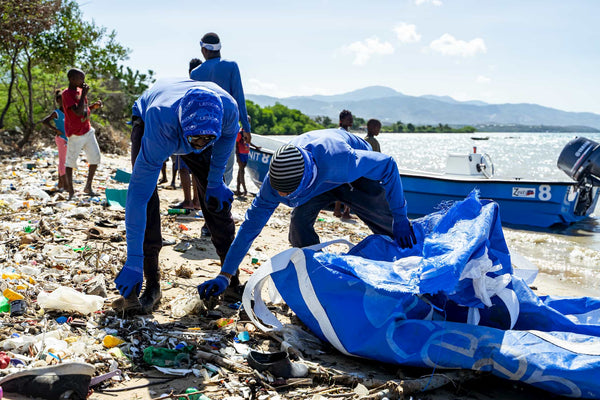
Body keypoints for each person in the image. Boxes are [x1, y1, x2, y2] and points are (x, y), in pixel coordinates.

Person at [198, 128, 417, 300]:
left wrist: (399, 216)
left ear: (305, 184)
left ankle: (413, 268)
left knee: (394, 230)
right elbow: (249, 228)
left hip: (355, 177)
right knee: (299, 225)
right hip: (315, 181)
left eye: (289, 196)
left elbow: (388, 165)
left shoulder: (343, 161)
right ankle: (316, 274)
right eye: (281, 196)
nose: (283, 200)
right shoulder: (273, 184)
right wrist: (225, 274)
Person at [112, 78, 240, 314]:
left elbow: (224, 142)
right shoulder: (161, 125)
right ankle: (152, 284)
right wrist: (133, 259)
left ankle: (231, 278)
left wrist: (214, 183)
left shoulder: (228, 112)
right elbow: (138, 197)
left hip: (201, 126)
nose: (200, 146)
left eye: (207, 140)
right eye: (196, 140)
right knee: (149, 201)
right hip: (152, 118)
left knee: (216, 203)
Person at [190, 32, 251, 186]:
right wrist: (247, 128)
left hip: (204, 127)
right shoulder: (231, 66)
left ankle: (207, 205)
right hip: (227, 125)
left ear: (204, 50)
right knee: (225, 168)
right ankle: (219, 203)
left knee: (206, 167)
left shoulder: (195, 73)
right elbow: (239, 99)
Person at [61, 68, 103, 199]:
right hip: (75, 133)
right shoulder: (66, 94)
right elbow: (77, 112)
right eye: (81, 78)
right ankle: (71, 192)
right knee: (70, 162)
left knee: (95, 158)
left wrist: (92, 107)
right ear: (72, 79)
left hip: (87, 130)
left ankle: (88, 187)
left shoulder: (80, 91)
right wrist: (84, 94)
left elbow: (83, 109)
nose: (83, 81)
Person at [41, 89, 68, 191]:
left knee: (66, 161)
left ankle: (61, 183)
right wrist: (55, 130)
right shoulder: (57, 113)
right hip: (61, 139)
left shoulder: (68, 112)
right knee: (63, 162)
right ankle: (64, 184)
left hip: (68, 139)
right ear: (58, 101)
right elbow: (45, 121)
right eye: (62, 100)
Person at [334, 109, 354, 219]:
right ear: (341, 120)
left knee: (342, 186)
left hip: (342, 163)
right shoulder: (341, 132)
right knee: (347, 187)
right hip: (342, 163)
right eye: (348, 119)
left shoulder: (345, 133)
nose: (351, 121)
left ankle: (340, 211)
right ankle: (344, 212)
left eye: (351, 119)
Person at [235, 126, 250, 196]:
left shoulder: (247, 133)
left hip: (246, 154)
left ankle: (238, 189)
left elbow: (249, 142)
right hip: (240, 154)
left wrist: (256, 147)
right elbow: (236, 144)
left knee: (240, 172)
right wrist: (237, 156)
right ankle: (245, 189)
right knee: (242, 172)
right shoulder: (240, 133)